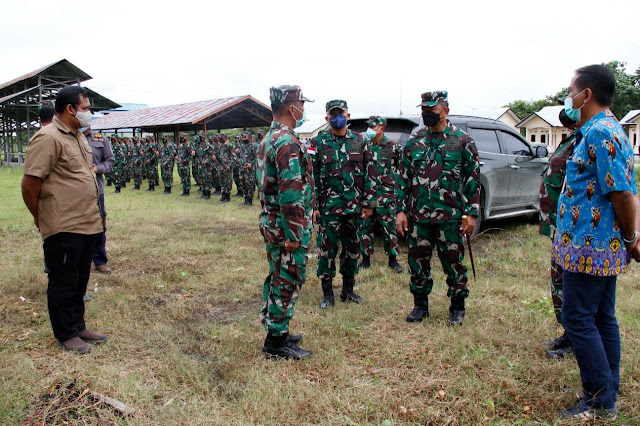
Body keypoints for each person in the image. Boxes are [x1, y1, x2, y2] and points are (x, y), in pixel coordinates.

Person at [553, 65, 639, 419]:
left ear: (585, 95)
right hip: (595, 244)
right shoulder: (604, 130)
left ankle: (599, 398)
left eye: (571, 91)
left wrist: (633, 236)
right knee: (602, 317)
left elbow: (621, 193)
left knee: (578, 318)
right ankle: (607, 388)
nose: (568, 98)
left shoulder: (599, 133)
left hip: (592, 247)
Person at [21, 85, 107, 354]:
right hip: (64, 224)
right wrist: (41, 216)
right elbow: (30, 183)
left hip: (86, 222)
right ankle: (65, 333)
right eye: (85, 109)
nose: (88, 114)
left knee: (80, 277)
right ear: (70, 109)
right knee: (64, 279)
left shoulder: (78, 136)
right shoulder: (48, 137)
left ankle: (78, 325)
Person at [396, 91, 480, 325]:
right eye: (424, 109)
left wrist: (471, 214)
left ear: (445, 110)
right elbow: (402, 178)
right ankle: (420, 306)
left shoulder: (462, 140)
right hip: (418, 216)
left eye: (432, 110)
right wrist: (400, 211)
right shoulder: (414, 141)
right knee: (417, 262)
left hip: (450, 217)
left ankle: (457, 306)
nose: (426, 114)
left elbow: (473, 179)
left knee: (453, 263)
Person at [256, 85, 315, 359]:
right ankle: (276, 343)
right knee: (287, 279)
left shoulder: (270, 138)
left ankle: (279, 329)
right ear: (293, 108)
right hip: (285, 226)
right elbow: (290, 192)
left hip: (272, 222)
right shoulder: (287, 142)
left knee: (278, 274)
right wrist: (294, 233)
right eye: (301, 104)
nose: (303, 108)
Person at [311, 99, 377, 309]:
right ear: (327, 118)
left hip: (355, 208)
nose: (337, 117)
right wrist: (313, 207)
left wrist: (370, 204)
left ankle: (348, 290)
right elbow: (310, 177)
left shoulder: (360, 141)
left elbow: (370, 174)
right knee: (327, 251)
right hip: (329, 209)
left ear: (348, 116)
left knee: (352, 250)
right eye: (333, 114)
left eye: (341, 113)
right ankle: (328, 294)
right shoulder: (317, 143)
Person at [538, 107, 578, 359]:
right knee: (560, 281)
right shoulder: (573, 137)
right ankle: (569, 333)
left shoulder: (589, 138)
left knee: (573, 285)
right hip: (560, 226)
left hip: (576, 231)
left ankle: (577, 341)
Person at [359, 116, 403, 273]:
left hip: (386, 196)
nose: (369, 130)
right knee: (365, 227)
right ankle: (365, 260)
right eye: (368, 127)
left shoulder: (394, 147)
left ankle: (393, 260)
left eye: (373, 127)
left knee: (389, 228)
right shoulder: (364, 147)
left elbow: (400, 170)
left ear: (382, 128)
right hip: (368, 196)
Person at [85, 128, 115, 274]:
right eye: (82, 109)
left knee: (99, 226)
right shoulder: (68, 137)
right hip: (72, 192)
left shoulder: (99, 139)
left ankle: (100, 261)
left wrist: (98, 168)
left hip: (97, 190)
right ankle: (81, 261)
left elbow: (110, 161)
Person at [239, 131, 258, 206]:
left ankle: (249, 201)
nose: (243, 139)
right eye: (242, 137)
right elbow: (238, 157)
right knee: (242, 184)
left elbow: (257, 157)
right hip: (242, 168)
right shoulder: (241, 147)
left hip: (250, 170)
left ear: (249, 138)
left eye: (245, 137)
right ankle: (245, 199)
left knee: (249, 184)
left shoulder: (254, 146)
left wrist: (251, 164)